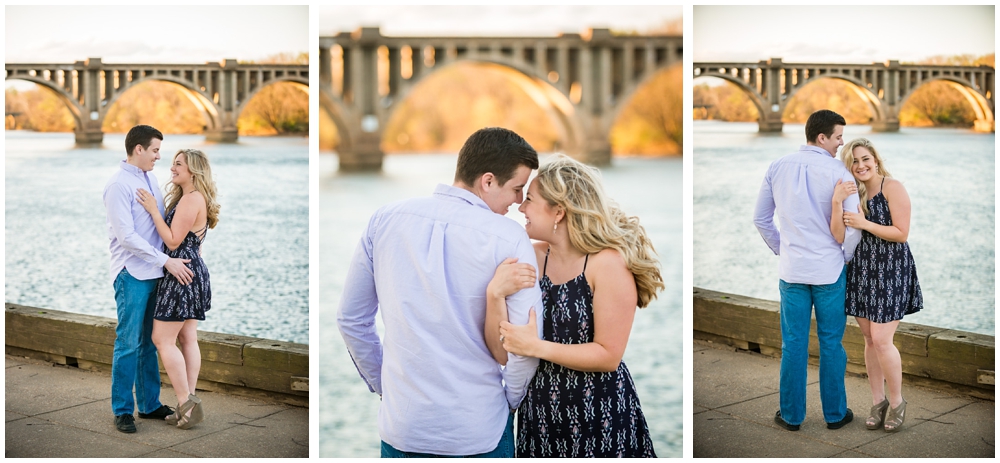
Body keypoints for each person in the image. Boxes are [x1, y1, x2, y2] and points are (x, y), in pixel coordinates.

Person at [337, 127, 543, 457]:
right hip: (479, 431)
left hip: (403, 427)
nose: (519, 202)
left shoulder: (385, 219)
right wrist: (506, 402)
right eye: (517, 188)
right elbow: (524, 344)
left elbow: (351, 320)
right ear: (487, 182)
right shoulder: (509, 238)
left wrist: (384, 387)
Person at [489, 154, 663, 457]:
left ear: (558, 211)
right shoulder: (529, 257)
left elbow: (609, 355)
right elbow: (504, 343)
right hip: (539, 418)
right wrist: (495, 293)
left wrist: (536, 347)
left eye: (529, 199)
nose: (521, 207)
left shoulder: (607, 264)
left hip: (597, 413)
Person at [753, 109, 861, 431]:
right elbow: (852, 227)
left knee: (793, 344)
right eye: (839, 137)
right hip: (829, 272)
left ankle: (791, 416)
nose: (842, 144)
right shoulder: (840, 174)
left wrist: (781, 248)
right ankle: (835, 415)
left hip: (792, 272)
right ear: (822, 137)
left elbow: (761, 219)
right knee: (831, 344)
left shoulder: (777, 166)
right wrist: (843, 257)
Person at [103, 125, 194, 433]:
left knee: (150, 343)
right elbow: (126, 237)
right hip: (132, 273)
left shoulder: (151, 179)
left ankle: (150, 404)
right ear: (138, 149)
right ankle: (123, 410)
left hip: (157, 272)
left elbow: (160, 223)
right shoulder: (118, 185)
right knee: (128, 342)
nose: (159, 156)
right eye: (155, 150)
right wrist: (166, 260)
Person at [832, 138, 921, 432]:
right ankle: (878, 401)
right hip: (861, 270)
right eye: (854, 161)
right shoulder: (853, 192)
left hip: (891, 269)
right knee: (869, 340)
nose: (861, 166)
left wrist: (864, 223)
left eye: (865, 158)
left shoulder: (891, 187)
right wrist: (836, 203)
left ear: (876, 159)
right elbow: (840, 233)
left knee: (882, 340)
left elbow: (901, 233)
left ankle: (897, 403)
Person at [136, 148, 219, 430]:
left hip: (180, 272)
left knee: (161, 339)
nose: (172, 168)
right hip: (192, 270)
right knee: (188, 338)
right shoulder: (197, 198)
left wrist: (151, 210)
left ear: (193, 170)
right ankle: (190, 402)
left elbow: (172, 242)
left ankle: (185, 403)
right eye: (172, 163)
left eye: (178, 164)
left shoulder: (190, 200)